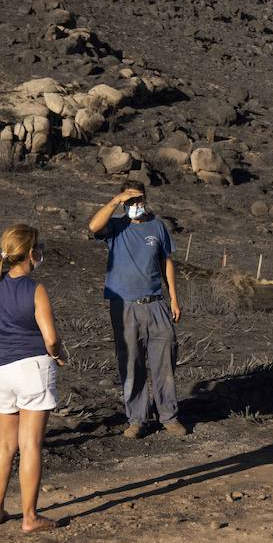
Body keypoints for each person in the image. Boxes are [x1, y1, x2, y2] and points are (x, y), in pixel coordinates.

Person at [0, 224, 65, 533]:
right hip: (32, 368)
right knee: (31, 444)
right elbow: (50, 338)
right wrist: (59, 354)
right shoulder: (35, 289)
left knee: (5, 443)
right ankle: (30, 517)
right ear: (30, 253)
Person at [87, 180, 187, 438]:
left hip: (156, 304)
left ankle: (169, 416)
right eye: (130, 201)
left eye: (139, 199)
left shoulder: (158, 226)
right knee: (131, 362)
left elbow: (167, 262)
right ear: (124, 202)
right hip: (124, 306)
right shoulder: (116, 226)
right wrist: (114, 201)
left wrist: (174, 298)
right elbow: (93, 226)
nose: (136, 205)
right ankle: (137, 419)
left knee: (165, 360)